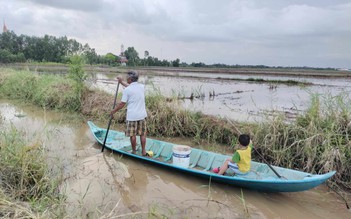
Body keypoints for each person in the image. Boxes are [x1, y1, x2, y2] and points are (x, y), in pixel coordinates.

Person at [110, 71, 148, 156]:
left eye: (127, 77)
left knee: (132, 135)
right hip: (142, 115)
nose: (126, 78)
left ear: (130, 79)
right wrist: (121, 82)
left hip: (132, 116)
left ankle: (134, 151)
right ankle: (143, 151)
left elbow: (122, 104)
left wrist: (113, 111)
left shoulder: (127, 90)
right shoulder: (141, 87)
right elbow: (131, 87)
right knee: (142, 134)